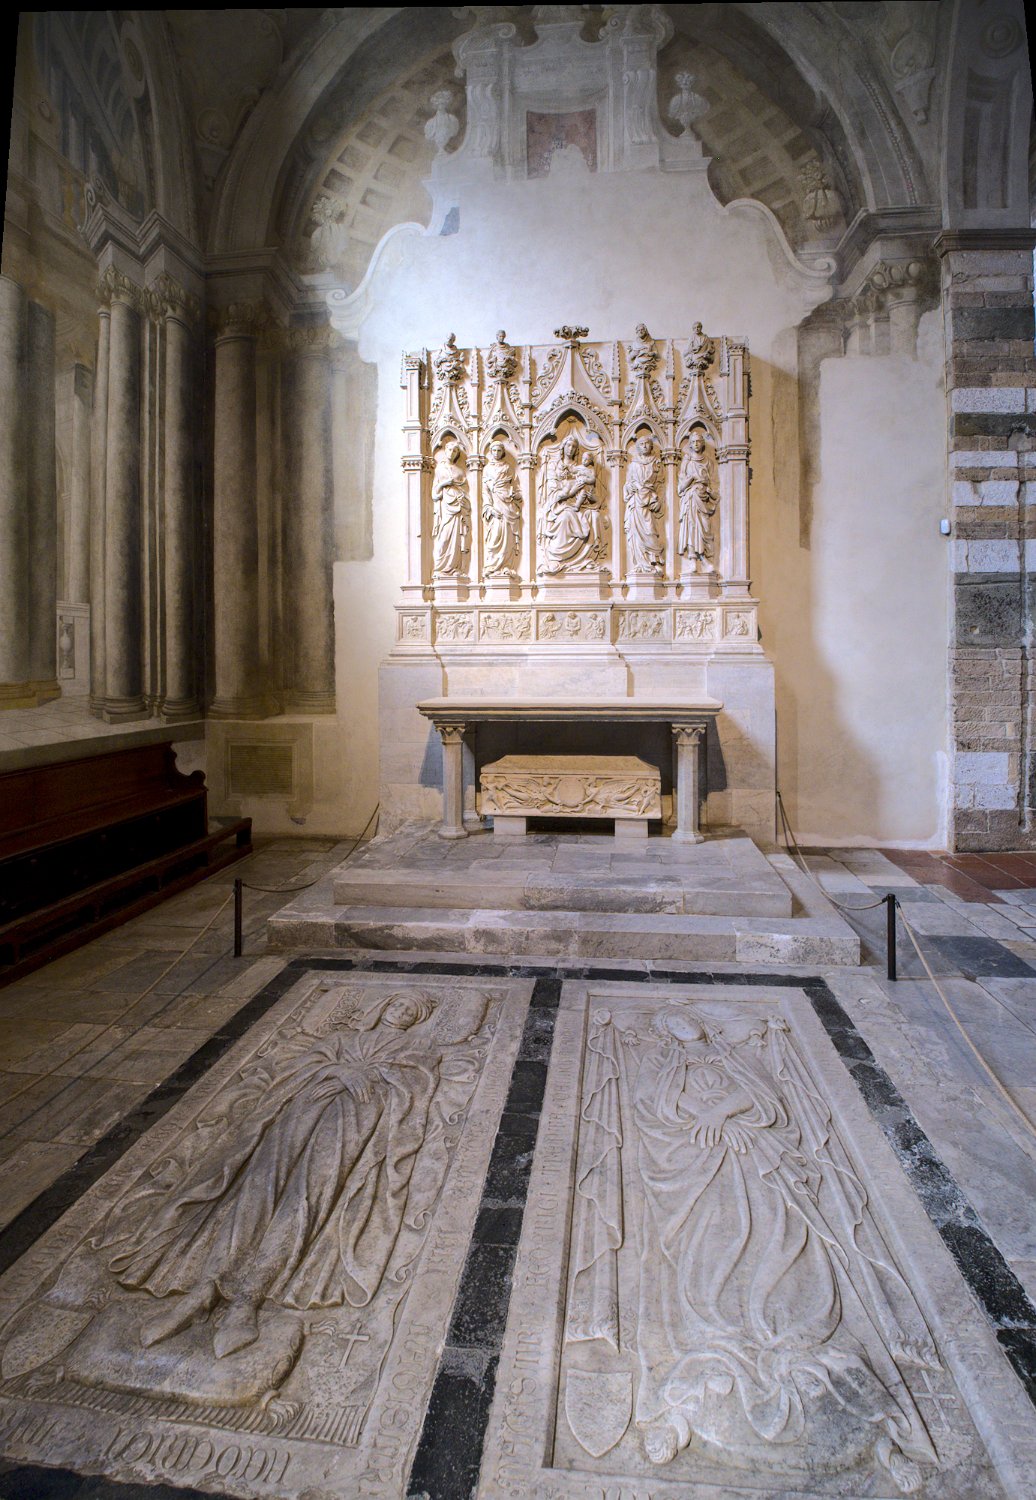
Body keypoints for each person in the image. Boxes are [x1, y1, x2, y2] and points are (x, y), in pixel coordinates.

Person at [632, 1007, 938, 1491]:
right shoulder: (660, 1062)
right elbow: (654, 1100)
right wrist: (709, 1117)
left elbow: (766, 1095)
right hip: (700, 1163)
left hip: (758, 1156)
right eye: (670, 1021)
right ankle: (718, 1342)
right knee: (711, 1246)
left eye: (686, 1017)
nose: (682, 1022)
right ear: (663, 1032)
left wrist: (722, 1111)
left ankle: (797, 1339)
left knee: (781, 1235)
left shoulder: (730, 1054)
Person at [95, 993, 468, 1359]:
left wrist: (371, 1074)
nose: (401, 1013)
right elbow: (301, 1067)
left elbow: (417, 1083)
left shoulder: (415, 1047)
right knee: (257, 1190)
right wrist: (335, 1070)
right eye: (397, 1004)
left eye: (410, 1011)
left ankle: (248, 1300)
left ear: (416, 1020)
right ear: (383, 1005)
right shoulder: (343, 1039)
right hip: (302, 1111)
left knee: (306, 1199)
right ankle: (202, 1291)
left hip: (352, 1120)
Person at [538, 433, 606, 574]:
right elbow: (553, 491)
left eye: (574, 446)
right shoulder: (554, 466)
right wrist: (570, 492)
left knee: (594, 516)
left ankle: (583, 560)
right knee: (565, 517)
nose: (571, 449)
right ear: (563, 447)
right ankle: (557, 556)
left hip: (580, 504)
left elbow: (590, 486)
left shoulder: (580, 467)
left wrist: (590, 497)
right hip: (560, 504)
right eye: (568, 445)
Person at [623, 434, 665, 574]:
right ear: (638, 448)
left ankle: (653, 562)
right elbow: (627, 484)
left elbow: (660, 484)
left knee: (650, 530)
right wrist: (630, 488)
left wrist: (659, 501)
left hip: (649, 501)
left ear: (651, 446)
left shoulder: (656, 463)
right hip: (636, 502)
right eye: (641, 444)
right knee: (635, 533)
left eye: (647, 443)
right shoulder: (633, 464)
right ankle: (641, 563)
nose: (645, 446)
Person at [677, 430, 716, 573]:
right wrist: (692, 478)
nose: (696, 444)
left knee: (704, 527)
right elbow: (680, 487)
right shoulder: (687, 461)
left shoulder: (708, 462)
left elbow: (714, 484)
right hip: (691, 498)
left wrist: (710, 490)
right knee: (691, 527)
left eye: (698, 441)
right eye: (693, 442)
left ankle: (704, 557)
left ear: (703, 443)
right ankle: (693, 557)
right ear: (690, 445)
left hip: (703, 499)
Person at [431, 441, 471, 577]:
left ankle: (454, 568)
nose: (451, 453)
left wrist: (463, 499)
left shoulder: (460, 471)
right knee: (444, 537)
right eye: (449, 450)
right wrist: (444, 483)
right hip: (445, 507)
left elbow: (465, 490)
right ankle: (440, 568)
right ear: (445, 450)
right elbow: (434, 493)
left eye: (455, 451)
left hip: (459, 506)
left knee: (456, 539)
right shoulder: (439, 469)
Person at [482, 441, 521, 576]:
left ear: (503, 452)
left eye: (499, 450)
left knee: (508, 537)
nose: (496, 453)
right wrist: (489, 508)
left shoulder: (508, 467)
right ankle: (492, 566)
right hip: (495, 506)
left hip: (508, 506)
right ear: (491, 452)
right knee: (495, 534)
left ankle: (506, 566)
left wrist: (515, 495)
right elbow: (485, 491)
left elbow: (517, 488)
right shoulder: (487, 469)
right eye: (494, 450)